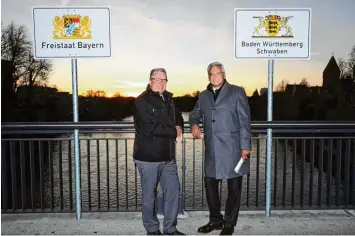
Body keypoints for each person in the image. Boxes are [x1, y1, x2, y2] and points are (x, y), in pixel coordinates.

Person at [189, 62, 252, 235]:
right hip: (212, 150)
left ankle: (229, 224)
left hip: (233, 150)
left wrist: (245, 146)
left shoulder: (237, 92)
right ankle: (215, 221)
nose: (214, 76)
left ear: (223, 74)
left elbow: (245, 120)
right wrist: (194, 124)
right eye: (211, 74)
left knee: (234, 189)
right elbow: (195, 114)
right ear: (208, 76)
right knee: (210, 186)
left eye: (217, 73)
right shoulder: (203, 96)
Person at [133, 68, 185, 235]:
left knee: (173, 192)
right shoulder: (141, 101)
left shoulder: (169, 98)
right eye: (158, 79)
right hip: (148, 157)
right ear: (150, 81)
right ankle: (152, 229)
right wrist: (174, 131)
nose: (161, 83)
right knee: (149, 196)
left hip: (168, 156)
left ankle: (170, 228)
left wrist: (180, 126)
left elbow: (178, 117)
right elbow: (149, 128)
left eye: (164, 80)